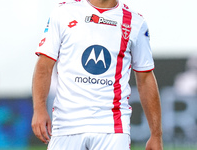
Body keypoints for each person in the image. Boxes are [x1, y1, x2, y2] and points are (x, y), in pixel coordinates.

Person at [31, 0, 163, 149]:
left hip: (113, 129)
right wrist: (39, 109)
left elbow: (145, 78)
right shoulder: (64, 12)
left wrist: (156, 135)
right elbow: (44, 66)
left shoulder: (135, 22)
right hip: (66, 125)